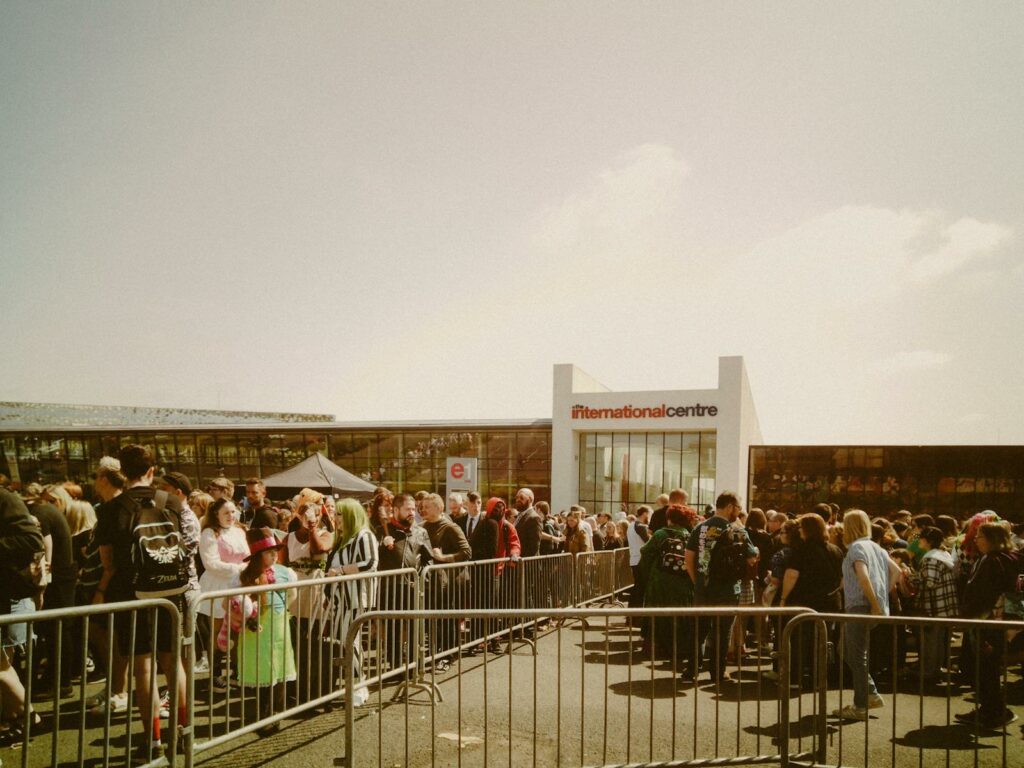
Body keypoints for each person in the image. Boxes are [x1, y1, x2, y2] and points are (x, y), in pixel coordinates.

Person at [684, 492, 758, 682]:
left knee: (698, 632)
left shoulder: (700, 528)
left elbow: (689, 557)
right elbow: (751, 558)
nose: (739, 512)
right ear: (730, 506)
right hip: (727, 589)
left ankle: (692, 670)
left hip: (703, 587)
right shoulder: (738, 530)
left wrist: (697, 580)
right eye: (739, 508)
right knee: (722, 632)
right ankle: (718, 673)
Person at [956, 522, 1020, 729]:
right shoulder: (1012, 558)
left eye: (980, 536)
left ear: (992, 539)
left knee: (983, 667)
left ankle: (993, 711)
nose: (976, 540)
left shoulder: (992, 561)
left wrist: (969, 615)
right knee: (988, 667)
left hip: (986, 621)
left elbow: (981, 592)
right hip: (1003, 620)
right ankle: (992, 709)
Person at [832, 509, 894, 722]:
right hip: (871, 606)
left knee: (855, 654)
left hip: (859, 606)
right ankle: (869, 693)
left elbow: (864, 577)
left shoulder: (857, 548)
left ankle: (861, 705)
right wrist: (882, 598)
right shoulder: (877, 548)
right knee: (847, 650)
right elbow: (896, 572)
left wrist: (875, 603)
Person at [236, 528, 297, 734]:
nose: (274, 555)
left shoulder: (285, 572)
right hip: (257, 626)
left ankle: (274, 714)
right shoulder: (246, 575)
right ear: (257, 556)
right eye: (268, 552)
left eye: (275, 551)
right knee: (262, 667)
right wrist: (250, 618)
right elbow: (239, 602)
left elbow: (291, 596)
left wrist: (281, 610)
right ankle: (262, 714)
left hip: (278, 623)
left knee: (278, 667)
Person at [778, 514, 843, 688]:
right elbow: (841, 578)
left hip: (804, 601)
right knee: (822, 641)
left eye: (800, 528)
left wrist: (783, 598)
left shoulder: (801, 550)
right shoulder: (835, 550)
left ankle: (795, 678)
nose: (798, 531)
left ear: (807, 529)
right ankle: (819, 679)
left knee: (799, 641)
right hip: (829, 602)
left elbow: (792, 575)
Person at [0, 488, 44, 747]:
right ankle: (17, 718)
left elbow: (31, 540)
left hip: (8, 593)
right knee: (4, 665)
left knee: (2, 666)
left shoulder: (6, 498)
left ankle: (30, 718)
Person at [327, 499, 379, 707]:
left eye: (340, 514)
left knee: (349, 641)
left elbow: (370, 563)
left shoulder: (364, 536)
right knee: (348, 641)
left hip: (355, 598)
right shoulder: (343, 538)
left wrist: (340, 571)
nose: (336, 518)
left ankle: (359, 684)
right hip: (342, 598)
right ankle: (357, 683)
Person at [198, 498, 249, 693]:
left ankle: (236, 672)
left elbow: (247, 555)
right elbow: (210, 563)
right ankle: (215, 675)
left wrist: (245, 570)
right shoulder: (209, 533)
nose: (230, 516)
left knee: (237, 630)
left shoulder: (239, 531)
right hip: (217, 587)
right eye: (226, 513)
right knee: (218, 632)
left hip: (238, 585)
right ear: (216, 514)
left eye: (232, 512)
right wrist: (238, 569)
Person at [284, 501, 334, 702]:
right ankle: (296, 687)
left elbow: (318, 550)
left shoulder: (325, 534)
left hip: (316, 594)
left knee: (315, 643)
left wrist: (313, 528)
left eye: (313, 515)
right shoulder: (288, 538)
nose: (308, 519)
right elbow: (282, 564)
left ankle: (315, 689)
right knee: (296, 642)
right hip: (295, 595)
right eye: (304, 515)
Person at [638, 504, 698, 663]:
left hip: (660, 580)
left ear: (669, 518)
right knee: (679, 614)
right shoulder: (689, 535)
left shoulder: (661, 534)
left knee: (657, 613)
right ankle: (680, 648)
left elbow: (645, 553)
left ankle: (656, 647)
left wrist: (647, 575)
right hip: (683, 582)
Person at [906, 526, 958, 684]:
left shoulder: (930, 558)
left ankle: (928, 672)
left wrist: (912, 577)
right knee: (940, 640)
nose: (918, 540)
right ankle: (935, 669)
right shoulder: (943, 554)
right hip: (946, 605)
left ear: (928, 541)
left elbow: (930, 582)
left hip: (934, 605)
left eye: (921, 538)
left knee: (930, 641)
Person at [627, 506, 652, 612]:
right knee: (640, 588)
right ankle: (636, 615)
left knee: (637, 587)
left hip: (634, 558)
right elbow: (649, 541)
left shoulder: (631, 525)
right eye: (650, 514)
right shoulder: (641, 526)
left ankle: (631, 614)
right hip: (641, 560)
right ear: (645, 513)